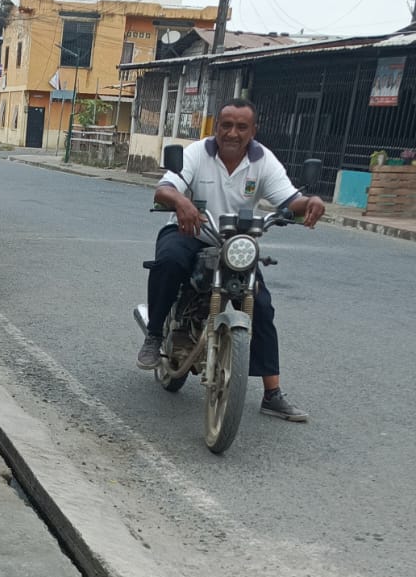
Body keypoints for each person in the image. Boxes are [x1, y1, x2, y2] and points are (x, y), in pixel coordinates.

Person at [136, 99, 326, 422]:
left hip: (235, 242)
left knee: (260, 306)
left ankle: (272, 394)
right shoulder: (198, 153)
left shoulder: (262, 160)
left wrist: (311, 202)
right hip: (191, 231)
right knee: (168, 261)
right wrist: (181, 202)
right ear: (216, 127)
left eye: (241, 127)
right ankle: (154, 335)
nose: (232, 133)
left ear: (253, 131)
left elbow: (289, 199)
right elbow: (164, 188)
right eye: (226, 125)